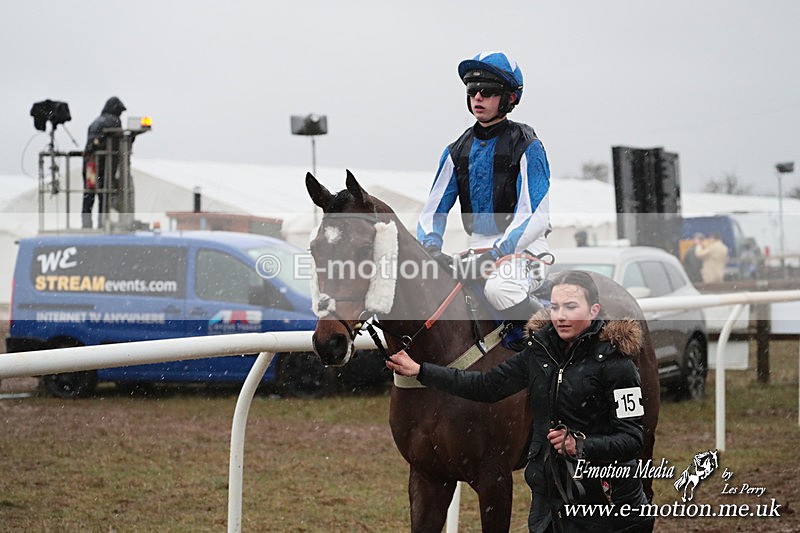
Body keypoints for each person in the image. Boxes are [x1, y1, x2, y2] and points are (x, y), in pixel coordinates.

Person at [387, 270, 652, 532]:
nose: (561, 316)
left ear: (594, 311)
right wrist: (421, 371)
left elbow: (632, 439)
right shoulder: (537, 355)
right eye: (556, 307)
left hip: (606, 500)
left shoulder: (619, 367)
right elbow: (484, 386)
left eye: (571, 307)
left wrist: (581, 446)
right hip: (550, 501)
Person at [417, 51, 551, 323]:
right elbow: (433, 211)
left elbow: (535, 215)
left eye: (487, 91)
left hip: (524, 251)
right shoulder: (455, 150)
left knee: (501, 289)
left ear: (510, 98)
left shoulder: (528, 147)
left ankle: (553, 349)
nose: (477, 97)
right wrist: (430, 247)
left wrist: (498, 253)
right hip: (475, 248)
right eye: (472, 89)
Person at [82, 96, 126, 229]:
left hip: (90, 164)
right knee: (104, 195)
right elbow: (119, 140)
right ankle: (102, 224)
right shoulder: (114, 121)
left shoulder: (96, 121)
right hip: (105, 165)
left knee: (88, 195)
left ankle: (86, 225)